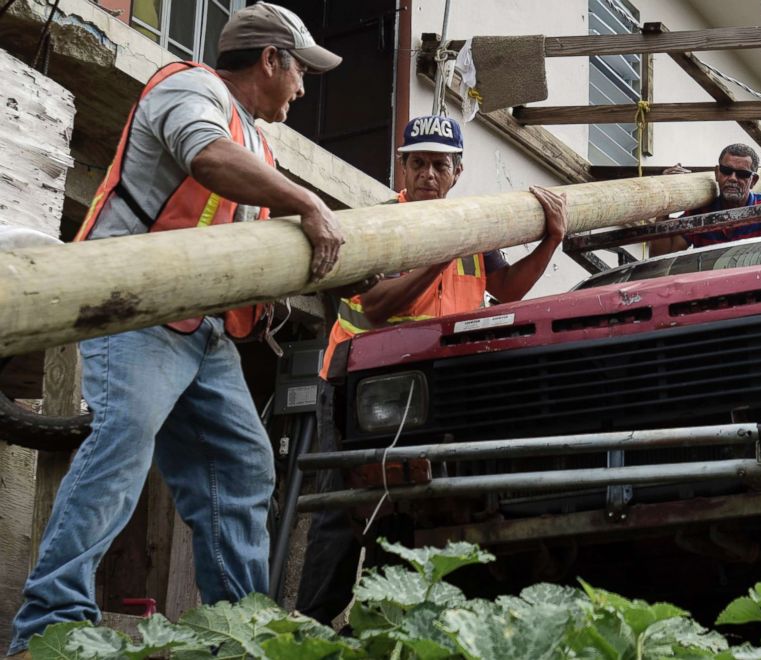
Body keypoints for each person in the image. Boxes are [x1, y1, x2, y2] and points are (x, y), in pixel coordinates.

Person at [7, 3, 345, 656]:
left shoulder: (259, 144)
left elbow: (227, 234)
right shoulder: (190, 87)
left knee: (242, 472)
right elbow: (206, 161)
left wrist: (263, 297)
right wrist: (308, 200)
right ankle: (46, 630)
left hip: (202, 333)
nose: (303, 88)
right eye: (300, 71)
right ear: (271, 60)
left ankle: (241, 634)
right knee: (119, 454)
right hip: (137, 310)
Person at [295, 114, 568, 623]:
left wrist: (551, 240)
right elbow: (377, 306)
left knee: (416, 505)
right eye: (417, 163)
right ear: (402, 168)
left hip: (435, 388)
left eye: (438, 165)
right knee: (342, 507)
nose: (427, 175)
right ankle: (312, 623)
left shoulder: (473, 228)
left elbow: (506, 290)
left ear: (456, 172)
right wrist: (448, 252)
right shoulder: (377, 224)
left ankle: (382, 619)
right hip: (356, 386)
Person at [648, 143, 761, 256]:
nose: (732, 178)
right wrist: (667, 196)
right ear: (717, 173)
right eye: (726, 171)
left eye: (742, 174)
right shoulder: (699, 213)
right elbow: (662, 256)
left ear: (754, 181)